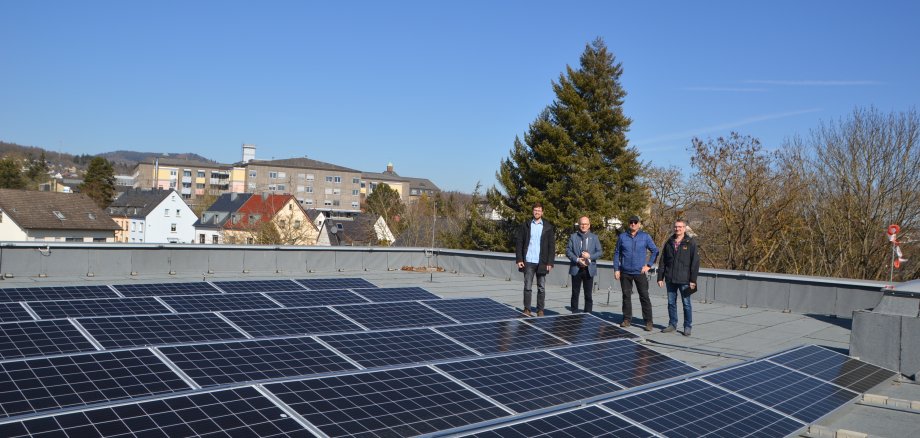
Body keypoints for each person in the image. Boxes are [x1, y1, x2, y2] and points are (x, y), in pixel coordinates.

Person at [613, 215, 659, 331]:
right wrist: (616, 269)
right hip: (625, 272)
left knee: (644, 296)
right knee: (626, 296)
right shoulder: (623, 237)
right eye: (631, 222)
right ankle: (627, 319)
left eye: (635, 222)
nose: (633, 224)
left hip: (639, 272)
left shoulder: (645, 237)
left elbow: (655, 251)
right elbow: (617, 253)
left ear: (639, 224)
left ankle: (648, 322)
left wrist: (648, 265)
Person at [657, 219, 700, 336]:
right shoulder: (669, 242)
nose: (678, 229)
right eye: (676, 227)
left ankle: (687, 326)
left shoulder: (690, 242)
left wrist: (693, 280)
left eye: (680, 227)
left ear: (685, 228)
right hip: (670, 278)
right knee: (671, 303)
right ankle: (672, 324)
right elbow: (662, 261)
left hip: (685, 280)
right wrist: (660, 277)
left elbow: (695, 263)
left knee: (686, 304)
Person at [515, 202, 555, 317]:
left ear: (542, 212)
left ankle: (540, 310)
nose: (537, 212)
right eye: (535, 210)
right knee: (527, 286)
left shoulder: (548, 227)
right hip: (528, 261)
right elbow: (519, 242)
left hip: (542, 262)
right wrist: (519, 259)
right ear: (533, 211)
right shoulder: (526, 225)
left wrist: (550, 262)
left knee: (541, 287)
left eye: (539, 210)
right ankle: (527, 309)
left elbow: (552, 246)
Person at [566, 216, 603, 313]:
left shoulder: (594, 238)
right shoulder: (573, 237)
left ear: (589, 225)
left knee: (588, 294)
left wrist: (589, 257)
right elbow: (568, 251)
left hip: (589, 269)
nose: (583, 226)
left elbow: (599, 252)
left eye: (585, 224)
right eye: (582, 224)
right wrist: (577, 259)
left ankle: (588, 314)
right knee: (575, 293)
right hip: (576, 268)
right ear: (579, 225)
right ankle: (574, 313)